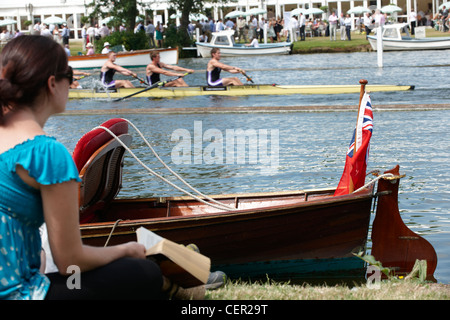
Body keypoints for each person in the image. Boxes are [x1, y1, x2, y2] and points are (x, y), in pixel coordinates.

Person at [0, 35, 165, 300]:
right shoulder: (45, 153)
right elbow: (70, 262)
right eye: (69, 74)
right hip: (20, 293)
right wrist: (126, 250)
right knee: (144, 273)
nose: (74, 82)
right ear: (52, 84)